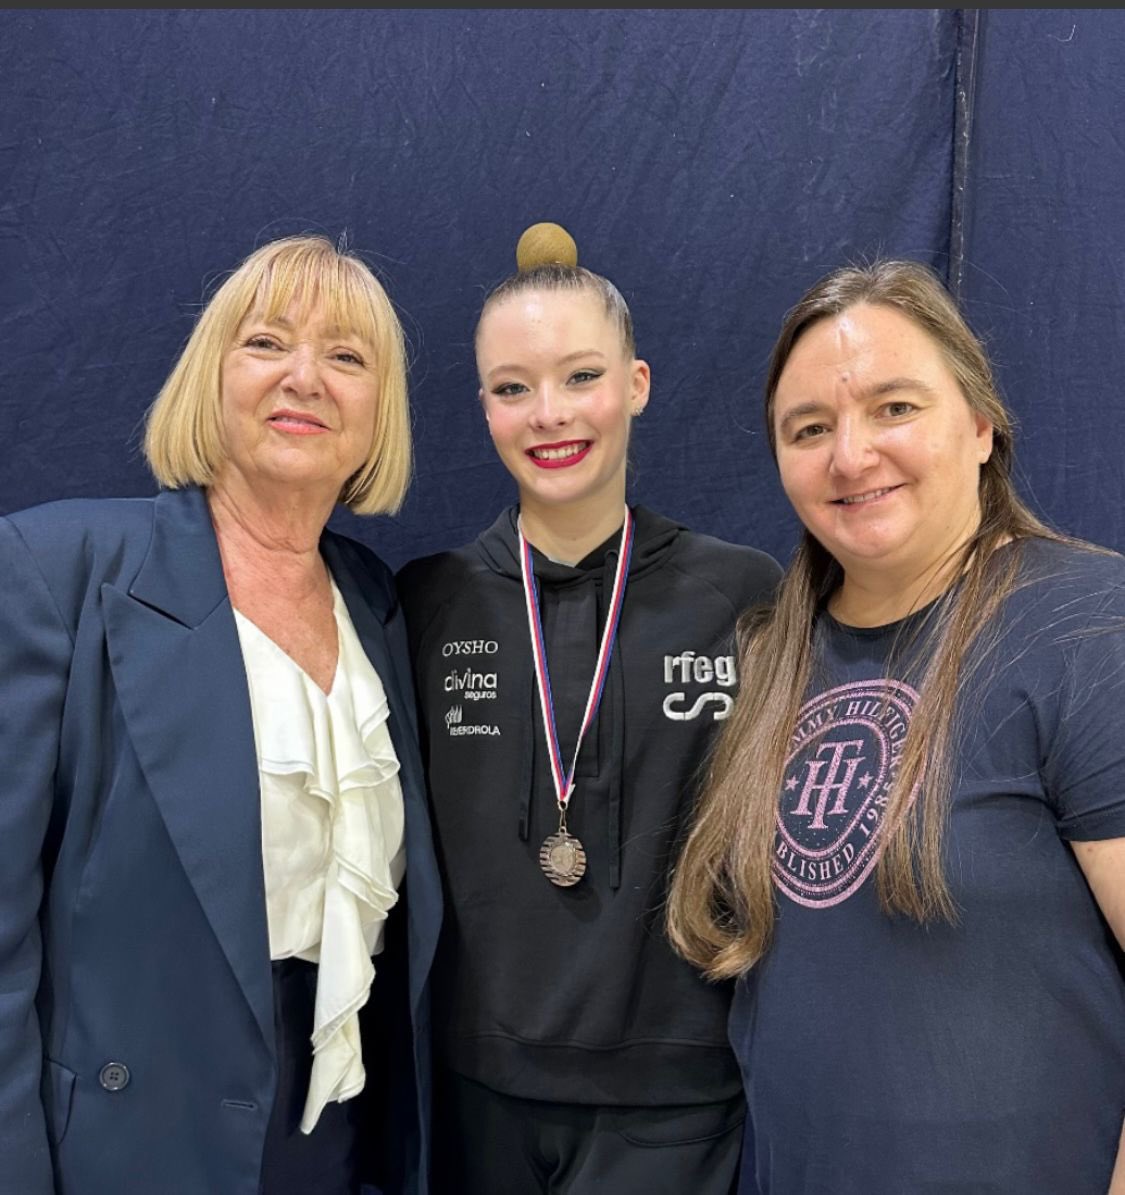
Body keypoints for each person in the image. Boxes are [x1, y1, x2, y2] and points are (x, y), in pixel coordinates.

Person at [668, 259, 1125, 1194]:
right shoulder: (771, 655)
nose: (849, 454)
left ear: (980, 426)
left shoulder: (1085, 627)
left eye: (893, 408)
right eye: (809, 428)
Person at [0, 235, 442, 1195]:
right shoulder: (54, 568)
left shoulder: (381, 606)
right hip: (129, 1152)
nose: (304, 377)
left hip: (340, 1143)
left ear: (381, 414)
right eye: (266, 342)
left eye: (347, 356)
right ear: (212, 378)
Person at [396, 223, 782, 1195]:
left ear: (638, 383)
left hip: (675, 1096)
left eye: (580, 376)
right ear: (482, 407)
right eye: (512, 387)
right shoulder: (424, 601)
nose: (548, 414)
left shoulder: (741, 593)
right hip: (474, 1092)